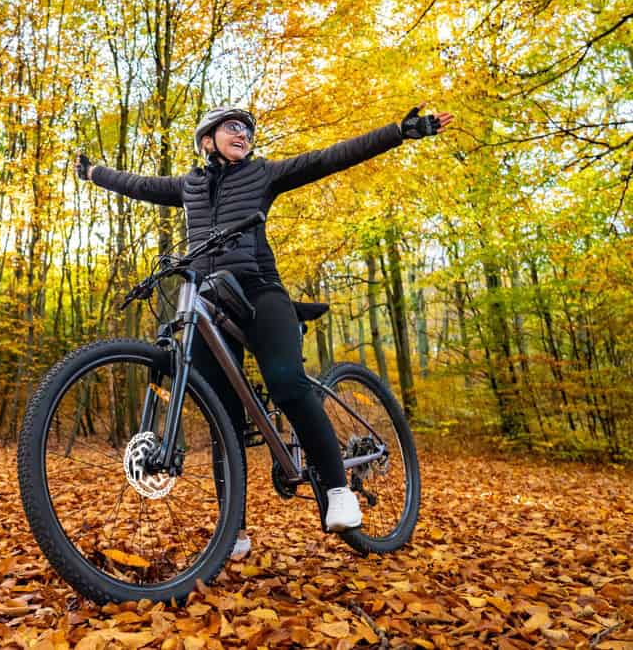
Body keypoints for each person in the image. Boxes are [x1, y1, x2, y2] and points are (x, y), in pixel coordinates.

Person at [74, 104, 453, 559]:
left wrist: (399, 131)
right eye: (233, 127)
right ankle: (232, 528)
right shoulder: (189, 186)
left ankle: (337, 490)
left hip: (259, 291)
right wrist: (93, 172)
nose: (244, 134)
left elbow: (329, 158)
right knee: (222, 416)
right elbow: (137, 184)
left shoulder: (262, 175)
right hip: (208, 302)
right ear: (206, 139)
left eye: (248, 130)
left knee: (286, 382)